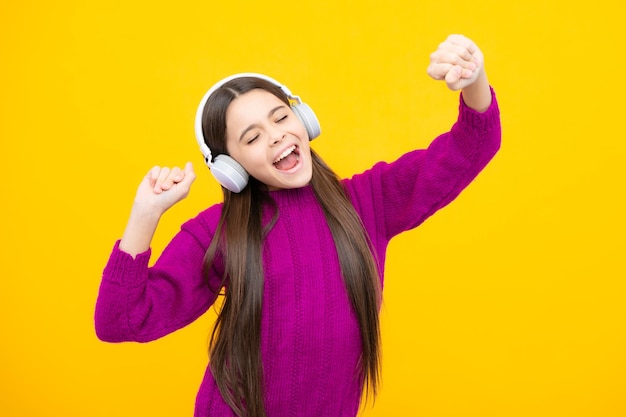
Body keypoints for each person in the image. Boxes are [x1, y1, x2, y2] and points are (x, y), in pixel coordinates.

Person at [95, 34, 501, 417]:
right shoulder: (216, 232)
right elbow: (121, 320)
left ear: (303, 119)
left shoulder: (369, 200)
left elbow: (471, 146)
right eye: (252, 138)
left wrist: (473, 78)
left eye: (280, 117)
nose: (276, 137)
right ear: (230, 167)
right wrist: (144, 214)